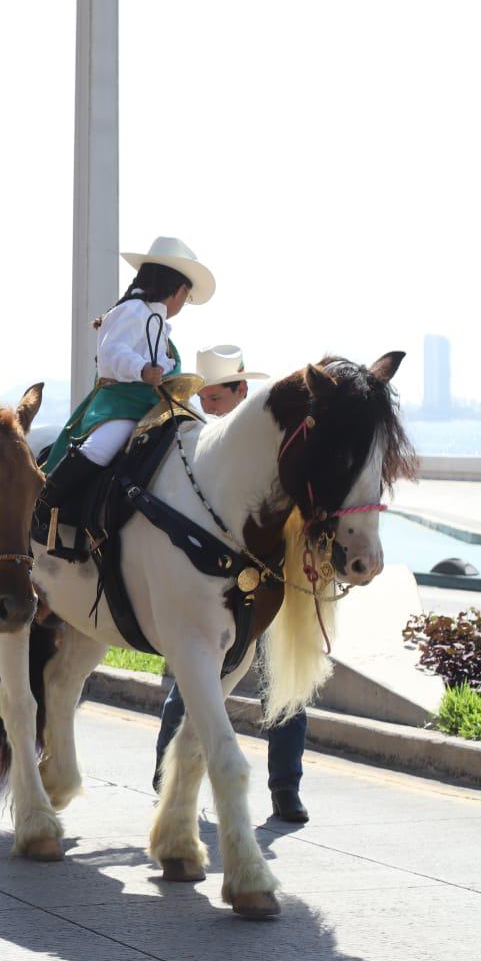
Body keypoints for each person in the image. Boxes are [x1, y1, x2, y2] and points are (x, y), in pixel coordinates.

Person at [149, 346, 310, 822]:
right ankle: (166, 780)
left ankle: (286, 786)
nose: (209, 406)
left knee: (285, 690)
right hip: (223, 591)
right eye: (206, 397)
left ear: (242, 391)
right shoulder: (208, 447)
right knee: (196, 684)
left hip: (271, 586)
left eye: (216, 397)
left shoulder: (271, 445)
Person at [37, 237, 215, 561]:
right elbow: (110, 353)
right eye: (186, 297)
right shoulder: (131, 310)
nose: (183, 304)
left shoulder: (158, 322)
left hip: (153, 406)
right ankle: (43, 504)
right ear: (176, 290)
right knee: (102, 448)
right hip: (120, 403)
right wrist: (142, 368)